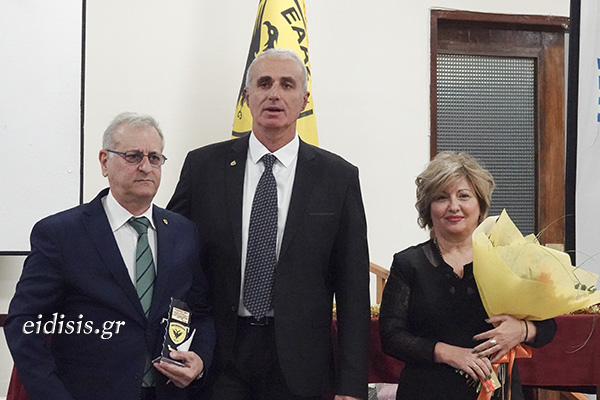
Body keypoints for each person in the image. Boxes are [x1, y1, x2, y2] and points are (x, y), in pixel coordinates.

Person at [167, 48, 370, 400]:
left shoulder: (338, 177)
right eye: (264, 83)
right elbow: (174, 257)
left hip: (300, 362)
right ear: (247, 97)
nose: (274, 93)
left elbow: (353, 288)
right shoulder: (203, 167)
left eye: (287, 85)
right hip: (217, 354)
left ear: (304, 100)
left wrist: (351, 386)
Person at [4, 112, 216, 400]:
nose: (145, 167)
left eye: (154, 158)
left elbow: (199, 311)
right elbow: (24, 322)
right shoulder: (61, 234)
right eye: (133, 156)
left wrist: (199, 359)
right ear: (105, 162)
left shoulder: (183, 232)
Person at [379, 151, 556, 400]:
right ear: (428, 208)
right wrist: (449, 353)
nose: (454, 206)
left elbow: (549, 327)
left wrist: (522, 330)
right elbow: (392, 336)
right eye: (441, 197)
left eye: (464, 196)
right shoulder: (409, 263)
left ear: (480, 204)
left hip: (496, 392)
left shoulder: (508, 258)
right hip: (426, 391)